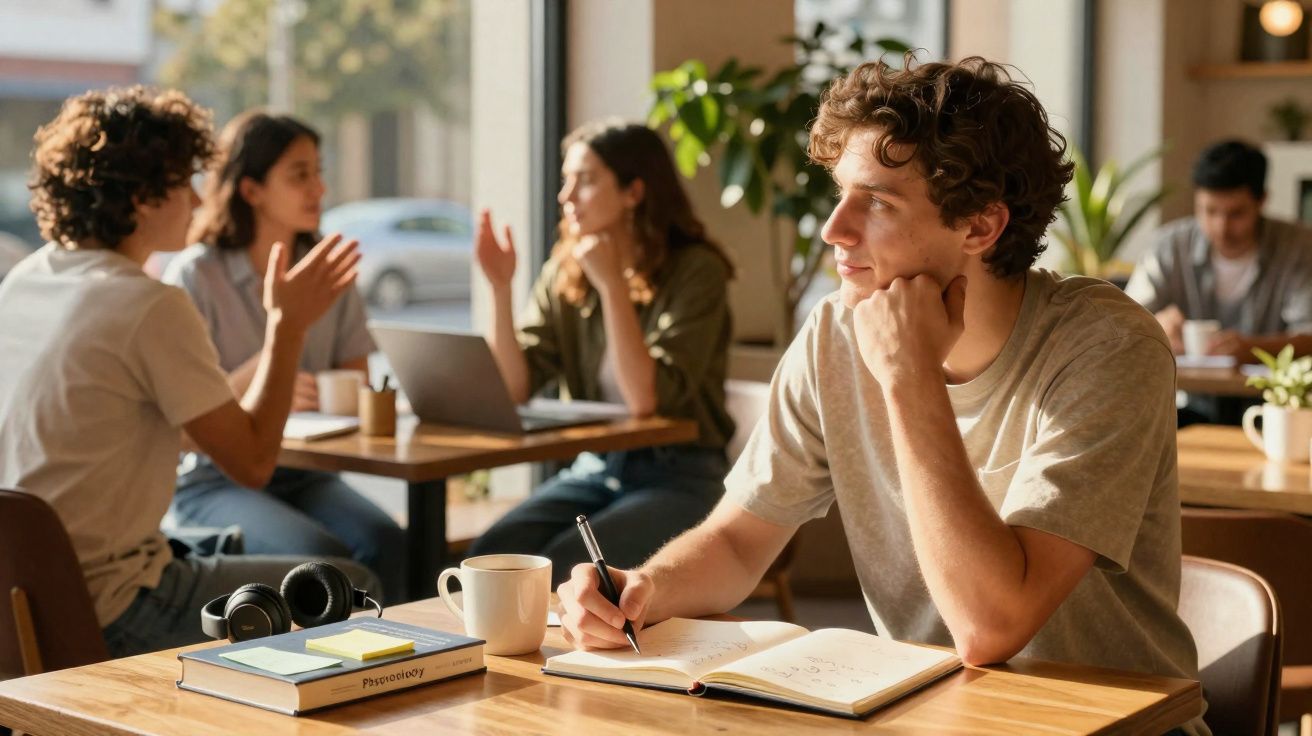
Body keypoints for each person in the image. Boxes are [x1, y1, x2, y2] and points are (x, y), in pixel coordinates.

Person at [557, 59, 1208, 736]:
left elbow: (991, 627)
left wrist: (909, 375)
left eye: (877, 202)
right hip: (928, 718)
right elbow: (738, 542)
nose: (834, 229)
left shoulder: (1106, 345)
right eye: (840, 194)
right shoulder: (838, 331)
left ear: (981, 226)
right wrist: (644, 589)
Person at [0, 86, 380, 658]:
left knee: (234, 548)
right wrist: (287, 327)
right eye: (184, 182)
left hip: (20, 597)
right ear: (145, 197)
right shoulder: (148, 304)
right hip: (112, 603)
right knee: (349, 587)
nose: (201, 200)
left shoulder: (27, 280)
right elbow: (251, 463)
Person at [466, 121, 736, 587]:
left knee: (569, 567)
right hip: (596, 466)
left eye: (586, 180)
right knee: (490, 557)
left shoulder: (697, 271)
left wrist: (612, 285)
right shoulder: (566, 270)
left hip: (680, 477)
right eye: (567, 179)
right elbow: (514, 386)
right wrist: (500, 288)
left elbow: (644, 401)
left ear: (634, 192)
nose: (565, 195)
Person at [163, 111, 406, 601]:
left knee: (390, 543)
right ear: (251, 190)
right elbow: (184, 418)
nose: (318, 187)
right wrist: (266, 371)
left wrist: (331, 394)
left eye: (319, 171)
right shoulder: (196, 276)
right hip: (213, 482)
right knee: (321, 557)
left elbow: (355, 384)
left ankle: (416, 667)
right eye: (300, 175)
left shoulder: (327, 272)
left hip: (306, 474)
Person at [1127, 139, 1312, 425]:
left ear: (1262, 200)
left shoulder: (1299, 248)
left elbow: (1309, 334)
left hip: (1276, 406)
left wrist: (1253, 348)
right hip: (1188, 404)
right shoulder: (1169, 246)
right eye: (1209, 211)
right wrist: (1155, 325)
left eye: (1236, 213)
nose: (1221, 227)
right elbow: (1125, 320)